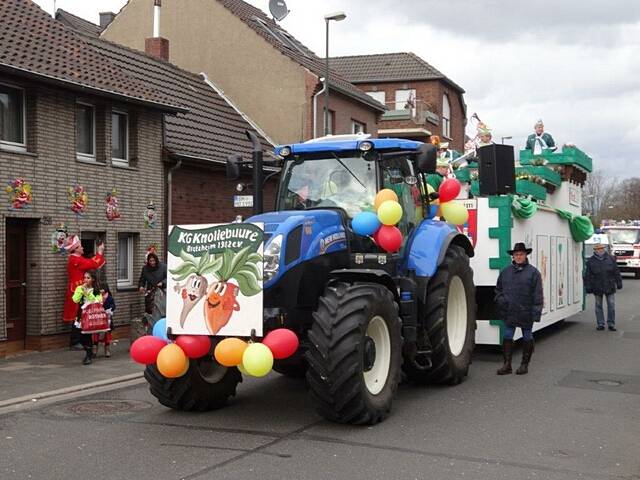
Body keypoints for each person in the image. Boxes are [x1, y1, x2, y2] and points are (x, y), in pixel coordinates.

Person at [494, 242, 543, 375]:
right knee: (508, 336)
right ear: (513, 256)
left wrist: (536, 313)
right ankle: (507, 365)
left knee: (527, 337)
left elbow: (538, 294)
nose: (519, 257)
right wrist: (501, 301)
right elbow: (498, 290)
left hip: (526, 311)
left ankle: (524, 365)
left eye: (521, 254)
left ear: (526, 255)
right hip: (509, 311)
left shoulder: (534, 273)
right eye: (516, 254)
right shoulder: (505, 272)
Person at [63, 235, 105, 349]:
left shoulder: (75, 259)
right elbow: (92, 264)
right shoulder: (76, 260)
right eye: (80, 246)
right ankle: (75, 342)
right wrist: (100, 252)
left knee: (80, 315)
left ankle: (78, 341)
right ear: (76, 248)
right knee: (78, 316)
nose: (83, 248)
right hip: (78, 292)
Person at [583, 243, 622, 331]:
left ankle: (611, 324)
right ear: (595, 251)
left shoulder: (611, 259)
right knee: (598, 306)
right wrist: (588, 287)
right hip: (597, 286)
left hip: (610, 285)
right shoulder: (590, 261)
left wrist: (619, 282)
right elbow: (587, 276)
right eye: (598, 249)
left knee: (611, 305)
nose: (600, 250)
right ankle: (600, 324)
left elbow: (616, 271)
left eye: (601, 248)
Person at [72, 270, 102, 365]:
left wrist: (88, 293)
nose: (85, 280)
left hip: (91, 314)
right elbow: (75, 300)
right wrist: (81, 291)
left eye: (88, 278)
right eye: (84, 278)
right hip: (81, 314)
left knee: (87, 335)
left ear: (92, 279)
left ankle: (88, 356)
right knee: (80, 336)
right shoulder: (79, 288)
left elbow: (97, 302)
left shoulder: (96, 290)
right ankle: (89, 350)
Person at [138, 251, 167, 315]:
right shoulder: (145, 269)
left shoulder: (163, 267)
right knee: (150, 310)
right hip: (150, 292)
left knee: (160, 310)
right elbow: (142, 279)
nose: (152, 263)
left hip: (161, 292)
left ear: (156, 260)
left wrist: (162, 283)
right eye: (150, 261)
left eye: (153, 261)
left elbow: (168, 278)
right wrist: (141, 286)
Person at [93, 285, 116, 358]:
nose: (101, 291)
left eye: (102, 289)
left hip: (107, 318)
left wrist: (111, 308)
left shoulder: (109, 297)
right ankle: (95, 350)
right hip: (98, 318)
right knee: (96, 334)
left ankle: (107, 350)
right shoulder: (96, 297)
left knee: (107, 335)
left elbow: (113, 305)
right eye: (100, 289)